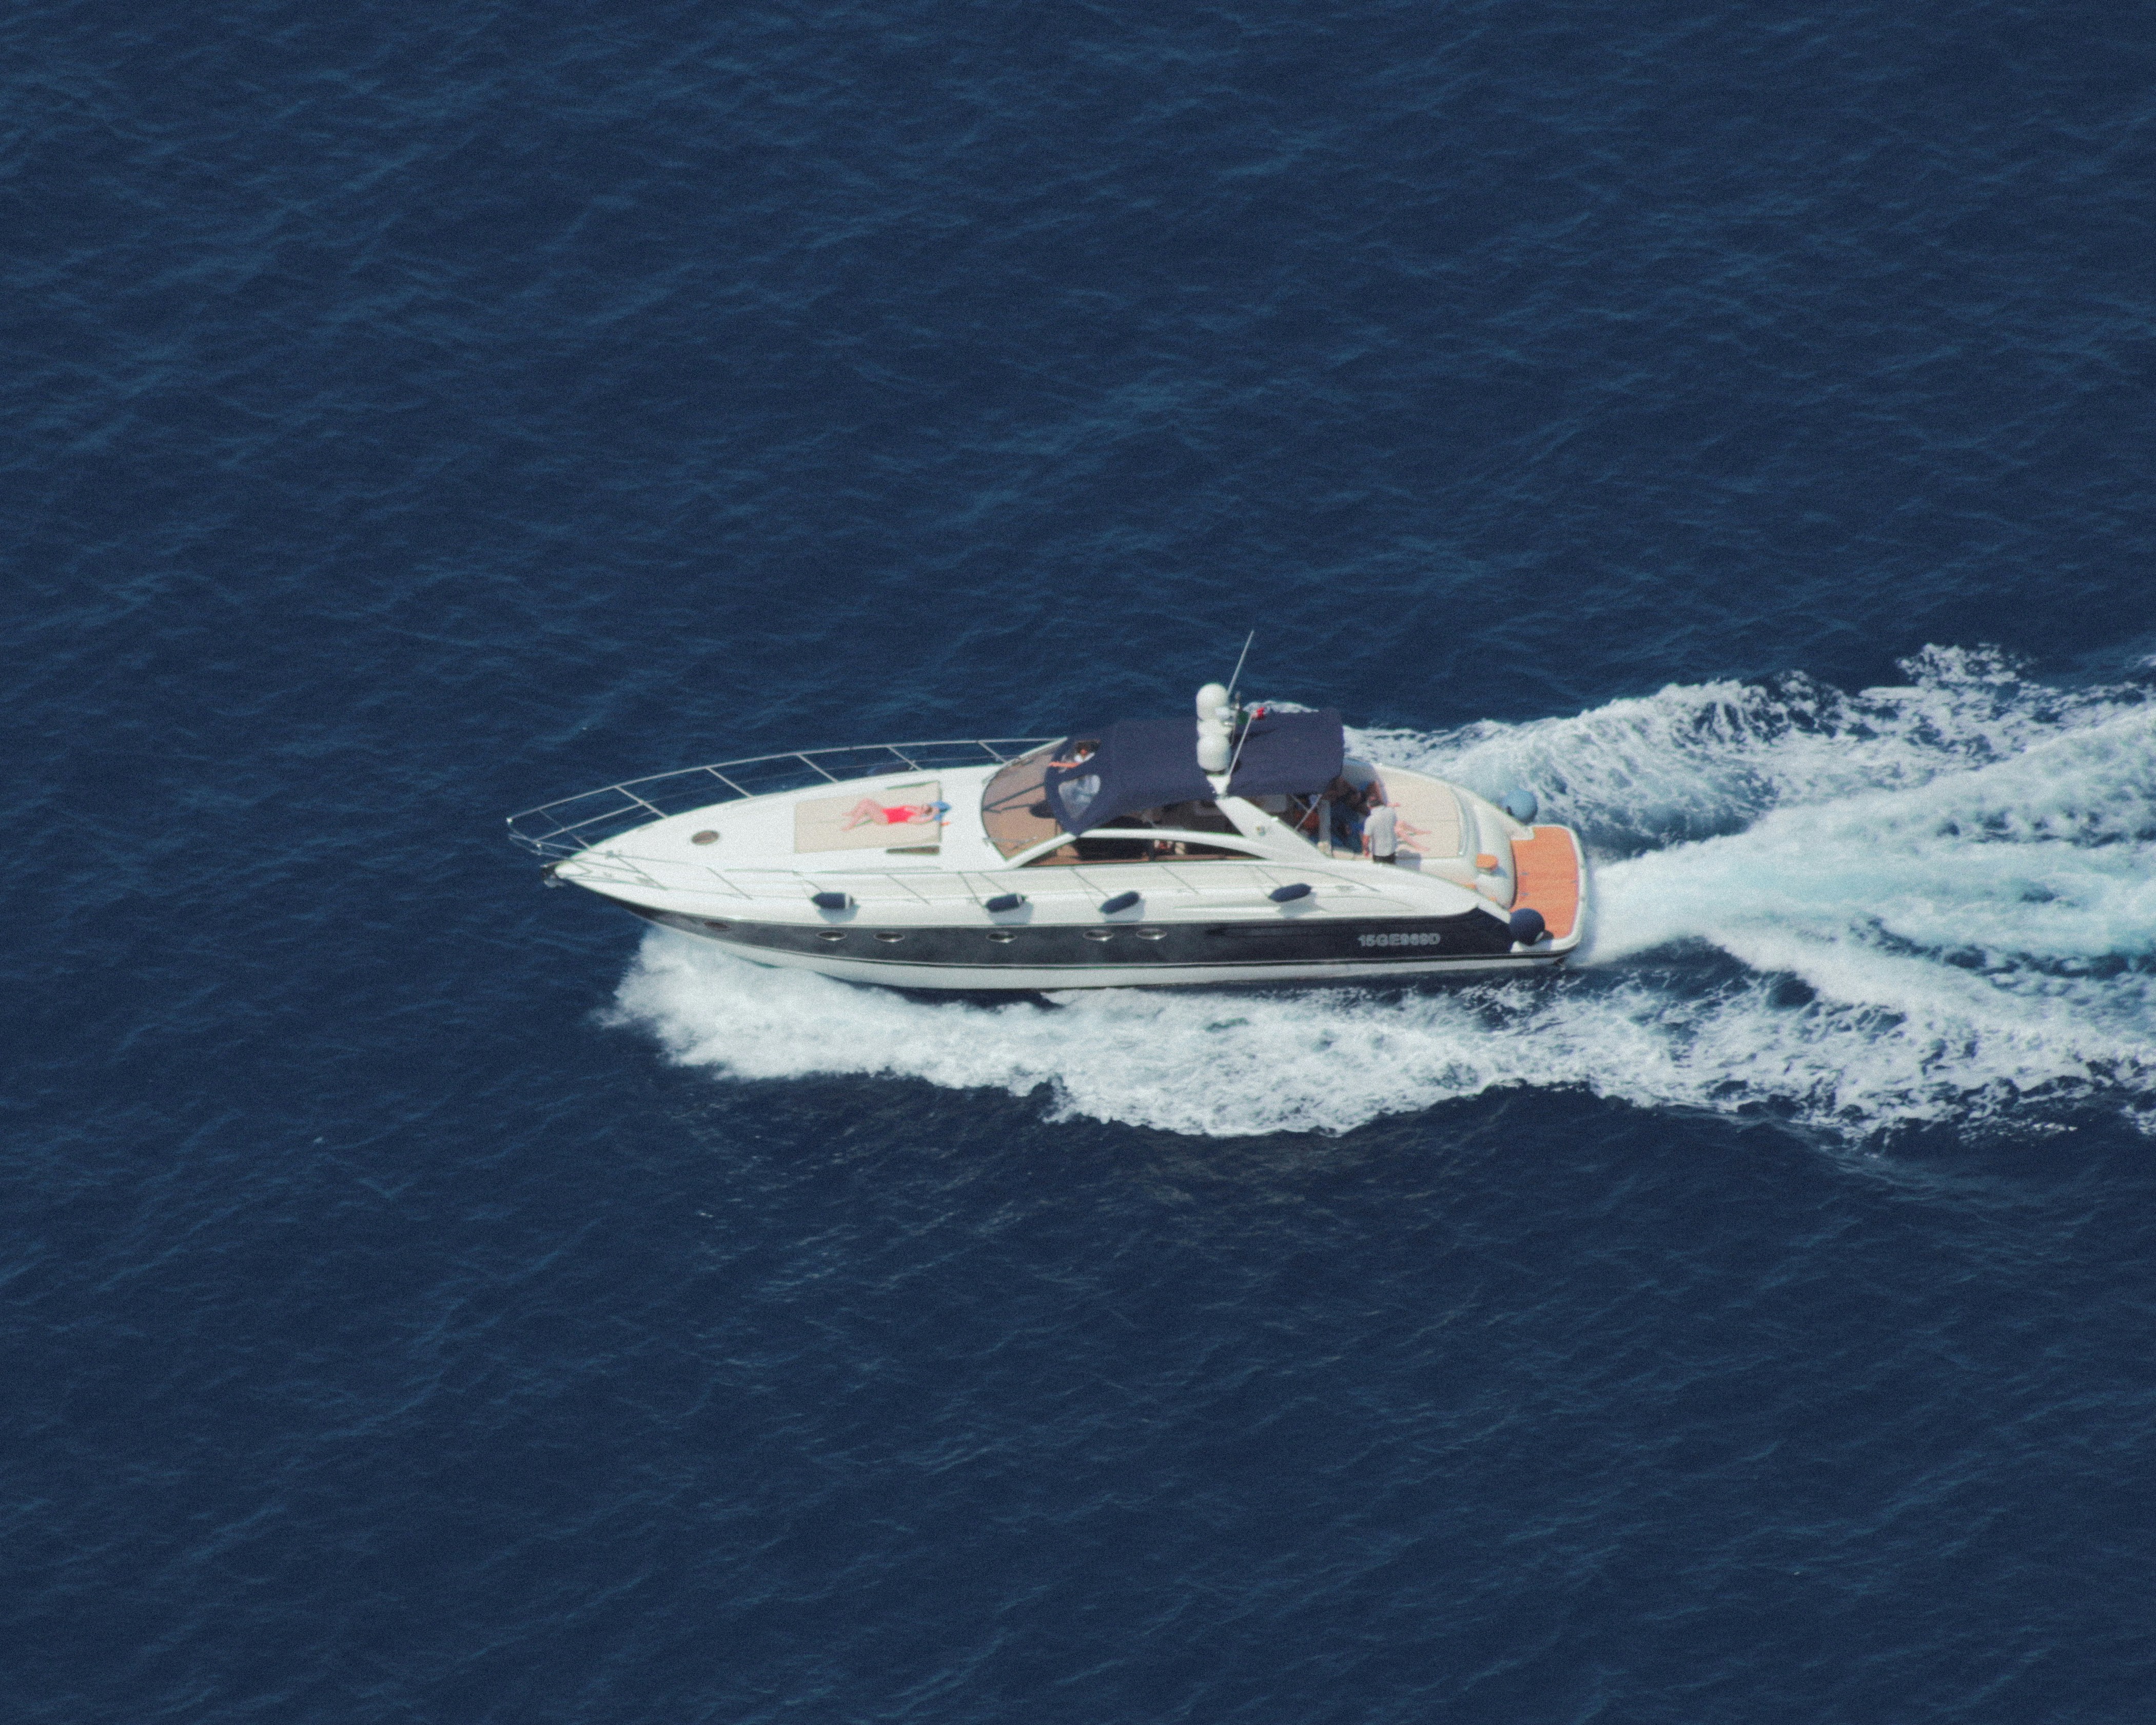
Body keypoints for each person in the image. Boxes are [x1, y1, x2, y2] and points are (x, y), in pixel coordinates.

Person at [1363, 785, 1398, 864]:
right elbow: (1394, 825)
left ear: (1369, 806)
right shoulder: (1391, 812)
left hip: (1379, 853)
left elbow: (1366, 840)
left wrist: (1366, 849)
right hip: (1392, 849)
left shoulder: (1370, 820)